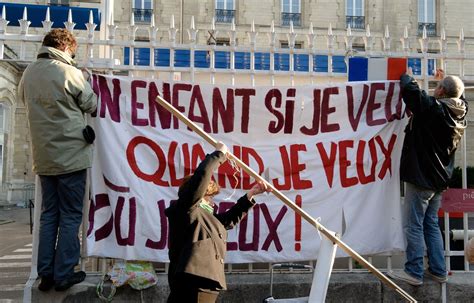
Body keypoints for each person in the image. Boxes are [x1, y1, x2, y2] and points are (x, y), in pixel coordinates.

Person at [18, 29, 97, 291]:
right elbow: (91, 103)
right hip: (71, 156)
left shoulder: (29, 73)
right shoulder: (68, 72)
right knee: (72, 215)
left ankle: (46, 274)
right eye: (72, 52)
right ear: (65, 47)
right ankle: (64, 273)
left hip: (44, 158)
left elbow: (24, 103)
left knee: (48, 216)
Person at [387, 69, 468, 286]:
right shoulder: (460, 111)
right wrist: (445, 82)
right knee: (431, 224)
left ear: (441, 91)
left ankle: (414, 271)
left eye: (438, 85)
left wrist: (406, 75)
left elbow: (412, 93)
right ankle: (438, 270)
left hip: (422, 177)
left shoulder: (435, 109)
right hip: (439, 180)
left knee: (413, 225)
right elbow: (457, 95)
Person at [165, 142, 271, 303]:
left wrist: (252, 194)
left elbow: (227, 220)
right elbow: (201, 178)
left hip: (207, 283)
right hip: (191, 282)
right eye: (210, 197)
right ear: (199, 195)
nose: (213, 203)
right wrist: (218, 155)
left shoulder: (207, 219)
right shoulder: (186, 210)